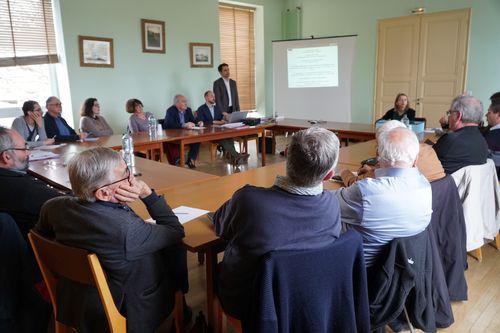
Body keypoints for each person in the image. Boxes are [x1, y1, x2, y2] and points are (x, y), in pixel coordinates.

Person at [34, 147, 189, 333]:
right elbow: (175, 230)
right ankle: (182, 307)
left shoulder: (52, 207)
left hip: (74, 296)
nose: (133, 180)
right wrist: (148, 194)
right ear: (103, 193)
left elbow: (40, 234)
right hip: (125, 307)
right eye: (126, 175)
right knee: (175, 249)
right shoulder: (127, 230)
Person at [212, 127, 342, 319]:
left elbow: (220, 225)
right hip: (306, 299)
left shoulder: (249, 200)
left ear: (287, 155)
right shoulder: (332, 205)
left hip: (251, 303)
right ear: (329, 175)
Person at [335, 127, 432, 267]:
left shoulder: (366, 191)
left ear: (378, 157)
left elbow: (323, 203)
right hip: (406, 270)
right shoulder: (425, 186)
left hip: (360, 272)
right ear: (416, 160)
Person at [0, 127, 62, 238]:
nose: (28, 152)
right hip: (43, 249)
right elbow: (69, 204)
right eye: (24, 148)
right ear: (7, 157)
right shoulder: (23, 188)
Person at [340, 120, 445, 185]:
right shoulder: (428, 149)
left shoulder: (391, 163)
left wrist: (344, 173)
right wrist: (371, 170)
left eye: (379, 145)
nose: (377, 150)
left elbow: (357, 186)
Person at [433, 94, 489, 174]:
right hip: (469, 185)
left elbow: (427, 159)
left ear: (458, 116)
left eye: (450, 113)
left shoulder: (451, 140)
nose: (449, 117)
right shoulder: (482, 140)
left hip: (442, 184)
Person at [196, 90, 249, 165]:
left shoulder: (216, 108)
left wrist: (226, 117)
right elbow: (200, 121)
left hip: (218, 130)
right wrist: (214, 122)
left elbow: (221, 119)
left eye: (214, 96)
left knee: (229, 136)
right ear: (206, 97)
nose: (214, 98)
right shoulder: (201, 109)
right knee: (223, 138)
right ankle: (237, 156)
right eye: (212, 96)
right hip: (209, 134)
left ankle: (234, 158)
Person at [164, 94, 202, 168]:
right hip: (174, 134)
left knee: (197, 139)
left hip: (186, 134)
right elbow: (169, 124)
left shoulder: (188, 110)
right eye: (184, 101)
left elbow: (193, 121)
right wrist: (183, 125)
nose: (186, 103)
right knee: (173, 142)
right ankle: (177, 160)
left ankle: (190, 159)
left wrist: (198, 122)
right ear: (177, 103)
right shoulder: (170, 111)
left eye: (186, 101)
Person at [483, 93, 500, 178]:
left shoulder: (493, 137)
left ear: (498, 115)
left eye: (489, 112)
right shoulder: (491, 131)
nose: (486, 115)